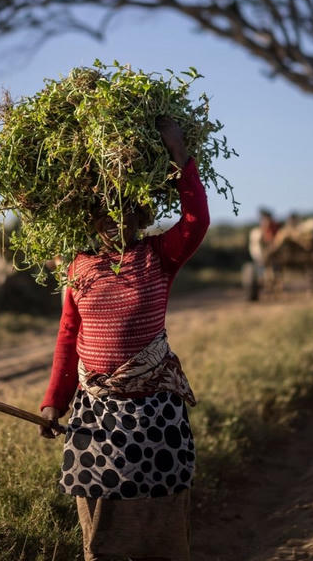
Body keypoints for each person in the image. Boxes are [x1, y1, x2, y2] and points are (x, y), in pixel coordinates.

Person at [38, 116, 209, 561]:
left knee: (162, 517)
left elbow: (196, 221)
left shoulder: (159, 255)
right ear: (90, 219)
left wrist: (179, 155)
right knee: (100, 526)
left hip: (156, 413)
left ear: (140, 213)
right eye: (104, 212)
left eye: (125, 209)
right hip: (95, 415)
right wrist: (54, 400)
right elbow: (68, 336)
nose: (115, 220)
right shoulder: (79, 267)